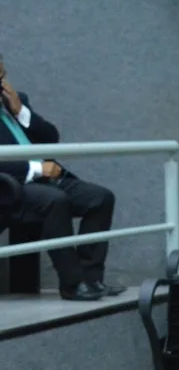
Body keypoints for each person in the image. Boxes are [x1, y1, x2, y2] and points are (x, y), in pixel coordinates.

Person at [0, 57, 120, 300]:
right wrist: (36, 169)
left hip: (46, 179)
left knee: (100, 198)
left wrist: (21, 112)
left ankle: (91, 278)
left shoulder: (15, 101)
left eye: (3, 76)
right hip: (9, 185)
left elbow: (50, 137)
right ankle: (72, 285)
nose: (3, 84)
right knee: (55, 201)